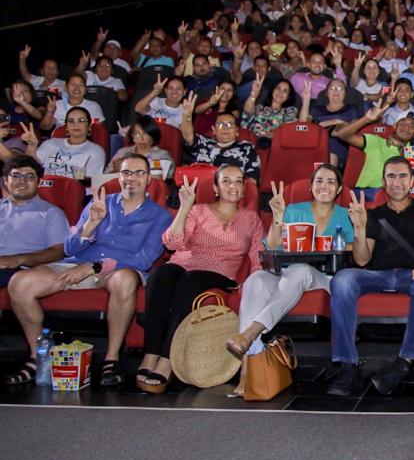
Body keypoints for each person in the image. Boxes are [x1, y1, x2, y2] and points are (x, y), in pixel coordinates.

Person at [5, 154, 171, 386]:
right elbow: (69, 248)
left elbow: (143, 260)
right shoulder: (100, 203)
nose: (131, 178)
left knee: (125, 280)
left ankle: (111, 359)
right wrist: (91, 223)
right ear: (119, 177)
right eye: (126, 173)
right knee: (20, 283)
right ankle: (37, 358)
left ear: (149, 179)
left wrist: (94, 267)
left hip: (116, 271)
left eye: (139, 173)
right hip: (76, 263)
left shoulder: (160, 216)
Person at [136, 165, 263, 394]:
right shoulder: (198, 210)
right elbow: (172, 244)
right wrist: (185, 208)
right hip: (184, 264)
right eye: (226, 181)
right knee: (161, 274)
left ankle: (167, 360)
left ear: (244, 188)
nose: (233, 186)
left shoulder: (251, 219)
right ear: (215, 188)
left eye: (238, 181)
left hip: (220, 273)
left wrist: (253, 284)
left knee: (191, 280)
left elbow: (257, 258)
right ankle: (150, 354)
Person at [230, 165, 355, 395]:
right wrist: (278, 218)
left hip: (324, 277)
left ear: (339, 189)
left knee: (301, 270)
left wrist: (326, 245)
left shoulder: (346, 214)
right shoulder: (293, 210)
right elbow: (272, 246)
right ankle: (248, 371)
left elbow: (356, 249)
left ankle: (252, 331)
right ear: (310, 186)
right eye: (319, 181)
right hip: (285, 273)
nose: (324, 186)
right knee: (255, 280)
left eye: (330, 182)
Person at [327, 157, 414, 397]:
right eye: (391, 176)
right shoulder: (373, 214)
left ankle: (404, 363)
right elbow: (362, 260)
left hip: (413, 274)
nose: (396, 182)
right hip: (378, 275)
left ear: (412, 181)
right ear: (383, 181)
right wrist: (360, 230)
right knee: (342, 279)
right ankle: (348, 365)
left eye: (402, 176)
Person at [0, 156, 69, 293]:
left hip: (22, 269)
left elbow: (58, 252)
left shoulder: (51, 213)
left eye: (30, 177)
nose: (22, 181)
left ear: (39, 182)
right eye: (15, 176)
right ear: (6, 181)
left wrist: (19, 259)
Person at [333, 100, 414, 199]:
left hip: (395, 195)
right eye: (402, 124)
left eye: (411, 126)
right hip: (367, 193)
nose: (406, 128)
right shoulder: (375, 141)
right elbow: (343, 135)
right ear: (394, 126)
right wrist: (366, 119)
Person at [180, 95, 261, 184]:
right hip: (198, 188)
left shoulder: (247, 148)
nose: (225, 128)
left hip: (231, 190)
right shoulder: (203, 142)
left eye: (230, 125)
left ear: (236, 130)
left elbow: (252, 178)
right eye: (221, 125)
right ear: (213, 129)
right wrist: (186, 117)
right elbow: (188, 136)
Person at [26, 107, 105, 179]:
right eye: (71, 121)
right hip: (43, 186)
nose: (76, 124)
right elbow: (30, 166)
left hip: (72, 188)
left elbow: (89, 183)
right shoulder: (50, 144)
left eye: (81, 120)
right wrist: (31, 146)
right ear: (66, 126)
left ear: (89, 125)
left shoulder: (95, 151)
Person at [106, 115, 175, 179]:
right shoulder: (122, 152)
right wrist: (116, 170)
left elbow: (170, 177)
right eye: (137, 134)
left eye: (145, 134)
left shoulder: (162, 155)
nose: (141, 138)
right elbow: (106, 176)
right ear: (133, 136)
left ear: (153, 136)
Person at [40, 74, 105, 130]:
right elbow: (45, 127)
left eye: (81, 85)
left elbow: (97, 129)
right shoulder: (58, 105)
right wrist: (50, 112)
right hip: (60, 139)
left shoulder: (93, 106)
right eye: (73, 84)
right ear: (66, 88)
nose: (77, 88)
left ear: (85, 89)